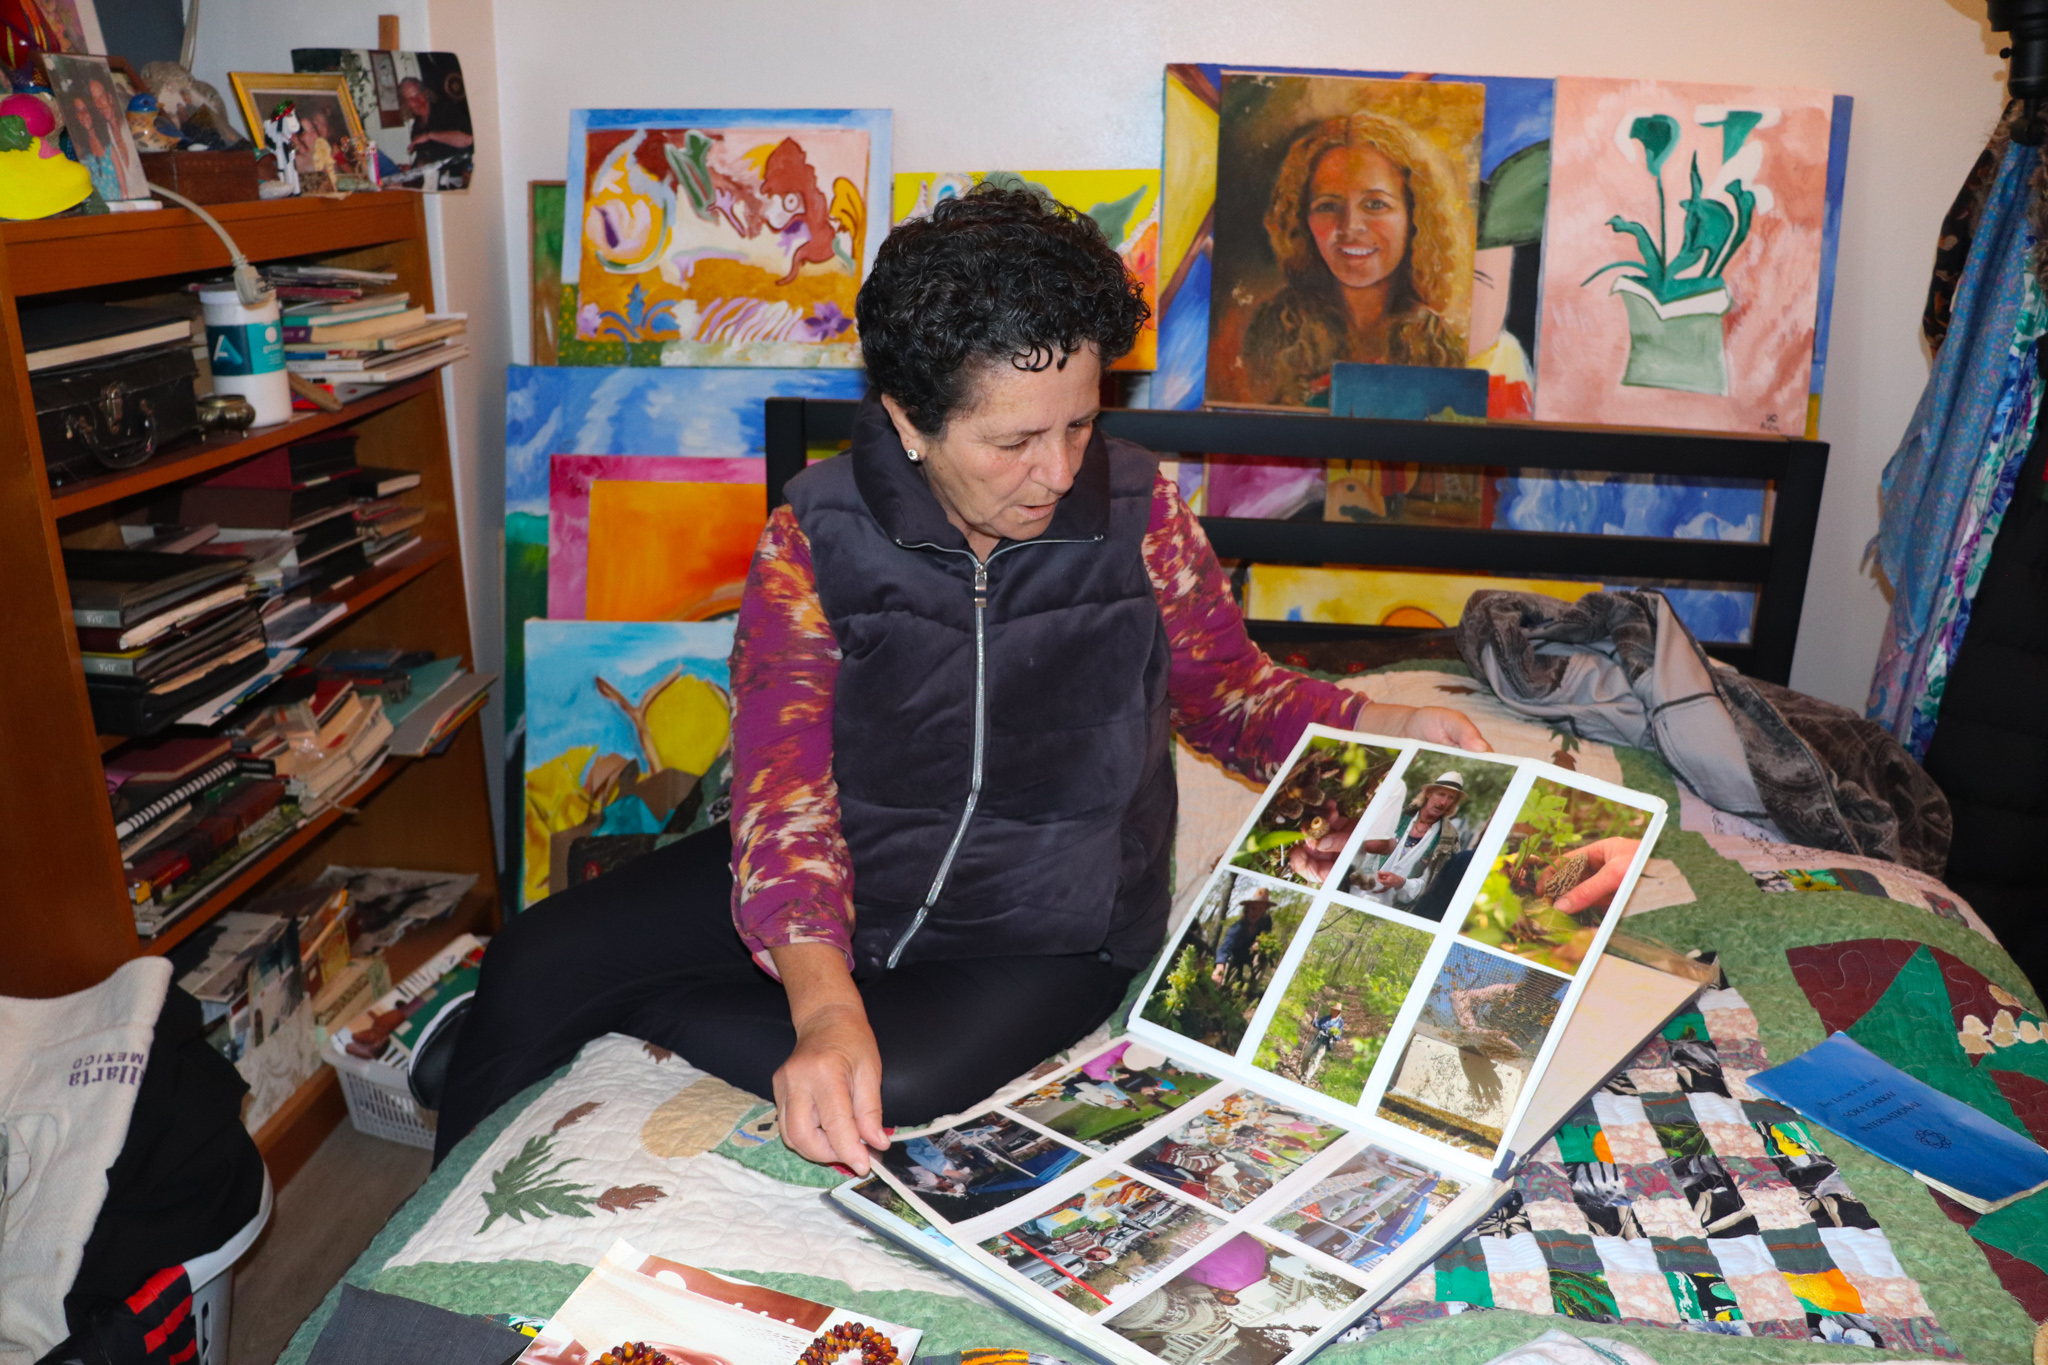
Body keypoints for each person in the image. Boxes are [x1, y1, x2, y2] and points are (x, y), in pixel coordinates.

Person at [430, 186, 1489, 1173]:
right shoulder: (814, 537)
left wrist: (1378, 715)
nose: (1061, 472)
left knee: (908, 1084)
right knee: (531, 956)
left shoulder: (1139, 513)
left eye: (1080, 423)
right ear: (906, 420)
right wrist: (822, 992)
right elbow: (782, 790)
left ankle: (645, 1003)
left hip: (1043, 924)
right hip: (855, 863)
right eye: (1013, 441)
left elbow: (1226, 693)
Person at [1241, 111, 1471, 407]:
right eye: (1327, 206)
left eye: (1376, 204)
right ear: (1302, 219)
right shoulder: (1276, 330)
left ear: (1415, 217)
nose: (1350, 226)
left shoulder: (1440, 346)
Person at [1347, 771, 1469, 910]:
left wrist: (1401, 883)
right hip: (1353, 892)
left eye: (1450, 798)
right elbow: (1363, 847)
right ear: (1429, 793)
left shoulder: (1447, 840)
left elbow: (1430, 884)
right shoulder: (1397, 816)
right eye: (1441, 794)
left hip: (1390, 908)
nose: (1443, 802)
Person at [398, 74, 471, 166]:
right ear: (406, 104)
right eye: (411, 99)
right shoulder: (416, 128)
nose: (417, 101)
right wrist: (411, 168)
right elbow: (426, 161)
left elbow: (468, 139)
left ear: (425, 93)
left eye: (418, 94)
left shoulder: (446, 109)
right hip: (441, 177)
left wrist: (429, 136)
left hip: (462, 172)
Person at [1211, 890, 1274, 987]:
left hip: (1251, 955)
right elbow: (1225, 948)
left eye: (1260, 909)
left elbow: (1266, 936)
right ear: (1247, 909)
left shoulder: (1266, 922)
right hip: (1235, 956)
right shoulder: (1236, 928)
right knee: (1227, 981)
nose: (1256, 913)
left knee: (1263, 956)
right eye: (1253, 908)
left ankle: (1251, 988)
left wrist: (1259, 942)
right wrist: (1219, 966)